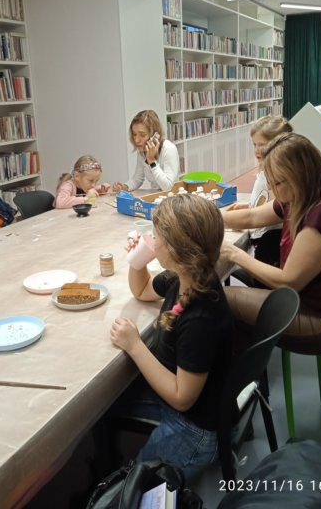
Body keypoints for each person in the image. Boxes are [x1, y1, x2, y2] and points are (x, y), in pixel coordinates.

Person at [109, 195, 233, 480]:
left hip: (194, 430)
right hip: (179, 405)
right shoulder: (186, 279)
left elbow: (181, 398)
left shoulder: (200, 315)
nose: (152, 240)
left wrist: (135, 345)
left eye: (157, 237)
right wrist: (138, 261)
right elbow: (142, 291)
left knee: (136, 486)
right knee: (106, 406)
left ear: (178, 250)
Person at [221, 132, 321, 356]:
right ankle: (245, 367)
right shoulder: (307, 194)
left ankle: (238, 372)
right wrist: (211, 217)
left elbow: (288, 282)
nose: (272, 189)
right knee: (227, 301)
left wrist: (234, 254)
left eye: (276, 183)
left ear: (295, 177)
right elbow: (252, 217)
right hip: (315, 304)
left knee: (220, 299)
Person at [227, 115, 293, 287]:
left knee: (262, 284)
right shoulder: (264, 169)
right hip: (262, 240)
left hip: (270, 241)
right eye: (254, 145)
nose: (257, 150)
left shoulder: (279, 177)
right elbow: (267, 205)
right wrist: (250, 206)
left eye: (262, 145)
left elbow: (267, 213)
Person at [112, 110, 179, 192]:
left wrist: (151, 161)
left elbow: (168, 187)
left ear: (155, 136)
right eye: (134, 134)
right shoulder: (142, 150)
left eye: (142, 135)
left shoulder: (169, 149)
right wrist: (124, 187)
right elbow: (138, 178)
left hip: (172, 196)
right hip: (155, 195)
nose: (136, 140)